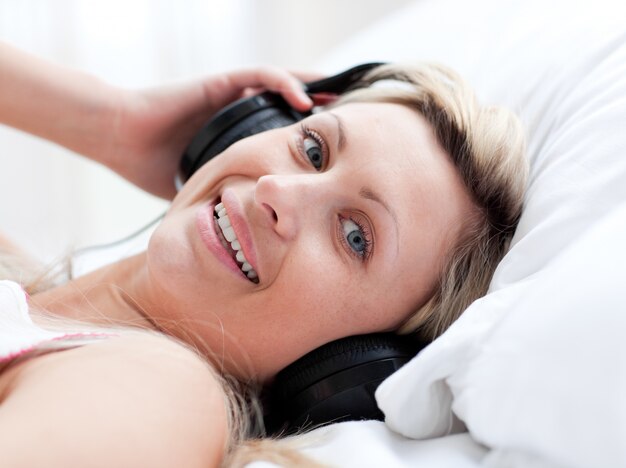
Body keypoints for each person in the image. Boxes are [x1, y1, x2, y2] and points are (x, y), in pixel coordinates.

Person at [0, 41, 528, 467]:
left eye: (355, 237)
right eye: (314, 150)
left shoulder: (157, 390)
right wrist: (116, 121)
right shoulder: (28, 295)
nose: (277, 190)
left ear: (357, 358)